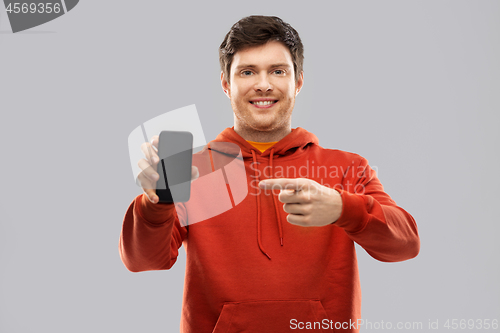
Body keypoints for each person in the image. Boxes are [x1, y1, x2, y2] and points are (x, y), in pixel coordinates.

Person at [119, 15, 420, 333]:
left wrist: (343, 209)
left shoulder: (347, 168)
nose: (263, 84)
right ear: (226, 83)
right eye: (247, 72)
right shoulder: (193, 170)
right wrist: (155, 204)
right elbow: (143, 261)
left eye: (278, 71)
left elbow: (405, 244)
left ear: (298, 81)